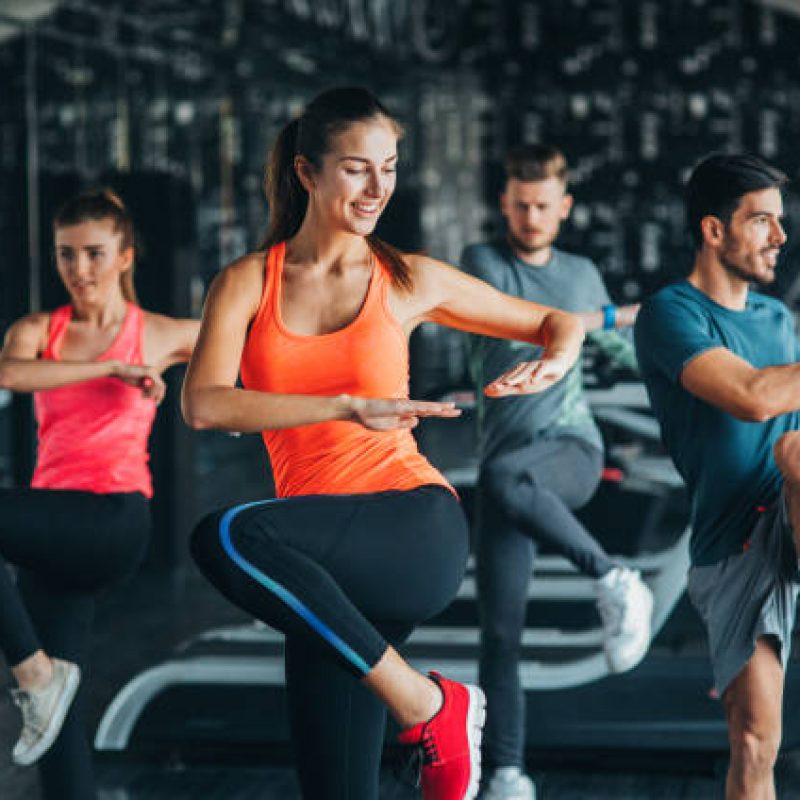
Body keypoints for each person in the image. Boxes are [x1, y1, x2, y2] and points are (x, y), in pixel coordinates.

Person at [182, 87, 585, 800]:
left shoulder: (406, 278)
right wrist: (343, 404)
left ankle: (433, 707)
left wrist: (552, 361)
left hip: (409, 524)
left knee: (225, 536)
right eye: (357, 168)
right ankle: (423, 703)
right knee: (334, 788)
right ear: (306, 173)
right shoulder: (246, 283)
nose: (378, 188)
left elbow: (561, 321)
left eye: (389, 167)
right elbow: (206, 404)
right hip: (323, 567)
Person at [460, 144, 653, 800]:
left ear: (564, 206)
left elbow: (623, 352)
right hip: (503, 468)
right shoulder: (481, 263)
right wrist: (594, 318)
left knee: (507, 479)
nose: (532, 215)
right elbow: (521, 331)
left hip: (570, 449)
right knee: (498, 632)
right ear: (503, 203)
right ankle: (508, 773)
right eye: (520, 204)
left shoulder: (580, 273)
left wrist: (690, 352)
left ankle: (614, 579)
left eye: (544, 205)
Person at [0, 188, 199, 799]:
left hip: (113, 520)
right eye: (66, 255)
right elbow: (12, 373)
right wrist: (110, 369)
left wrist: (205, 396)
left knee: (46, 686)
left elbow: (252, 355)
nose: (78, 270)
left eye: (93, 254)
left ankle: (34, 674)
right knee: (55, 726)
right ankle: (41, 680)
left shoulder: (159, 333)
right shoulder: (39, 330)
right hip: (52, 528)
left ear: (125, 257)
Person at [635, 153, 797, 800]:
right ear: (713, 230)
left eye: (780, 222)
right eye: (762, 221)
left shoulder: (779, 320)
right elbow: (754, 396)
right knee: (756, 742)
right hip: (734, 543)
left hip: (792, 508)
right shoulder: (670, 315)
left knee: (793, 457)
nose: (780, 238)